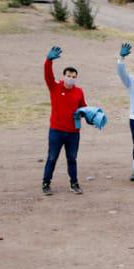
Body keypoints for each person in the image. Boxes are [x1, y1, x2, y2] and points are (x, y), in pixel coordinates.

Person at [42, 46, 86, 196]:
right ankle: (46, 183)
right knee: (52, 157)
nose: (71, 78)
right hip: (56, 131)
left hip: (73, 133)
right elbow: (48, 75)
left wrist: (90, 116)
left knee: (72, 159)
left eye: (74, 77)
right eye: (68, 75)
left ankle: (74, 183)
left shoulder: (79, 91)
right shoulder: (55, 87)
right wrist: (49, 61)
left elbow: (83, 108)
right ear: (64, 75)